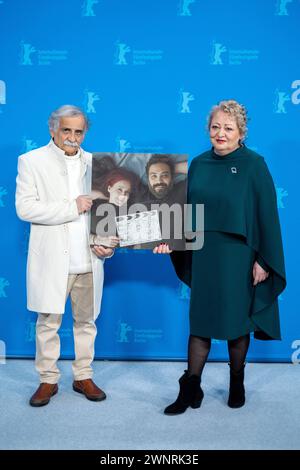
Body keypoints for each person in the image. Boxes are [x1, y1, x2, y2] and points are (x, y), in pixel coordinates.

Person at [155, 100, 286, 415]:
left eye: (228, 128)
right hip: (204, 254)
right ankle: (190, 388)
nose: (221, 133)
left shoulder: (255, 164)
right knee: (199, 322)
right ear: (207, 129)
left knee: (236, 323)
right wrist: (169, 241)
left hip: (239, 257)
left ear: (241, 132)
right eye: (215, 127)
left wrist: (264, 261)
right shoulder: (198, 164)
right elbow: (184, 212)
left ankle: (237, 381)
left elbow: (267, 216)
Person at [15, 105, 114, 407]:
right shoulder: (31, 161)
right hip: (53, 261)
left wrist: (108, 245)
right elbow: (25, 208)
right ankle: (47, 379)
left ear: (85, 132)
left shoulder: (99, 163)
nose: (72, 137)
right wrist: (72, 206)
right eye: (66, 130)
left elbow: (109, 213)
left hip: (88, 260)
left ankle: (83, 375)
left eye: (78, 131)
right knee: (48, 323)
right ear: (52, 130)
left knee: (86, 322)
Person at [139, 155, 187, 250]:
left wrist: (174, 168)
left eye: (164, 175)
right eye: (153, 176)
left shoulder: (181, 190)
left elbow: (202, 170)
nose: (159, 181)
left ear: (172, 177)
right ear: (148, 178)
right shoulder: (140, 195)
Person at [90, 167, 138, 247]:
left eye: (127, 192)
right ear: (109, 188)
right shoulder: (95, 204)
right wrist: (98, 240)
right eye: (119, 189)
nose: (123, 195)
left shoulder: (132, 211)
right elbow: (77, 235)